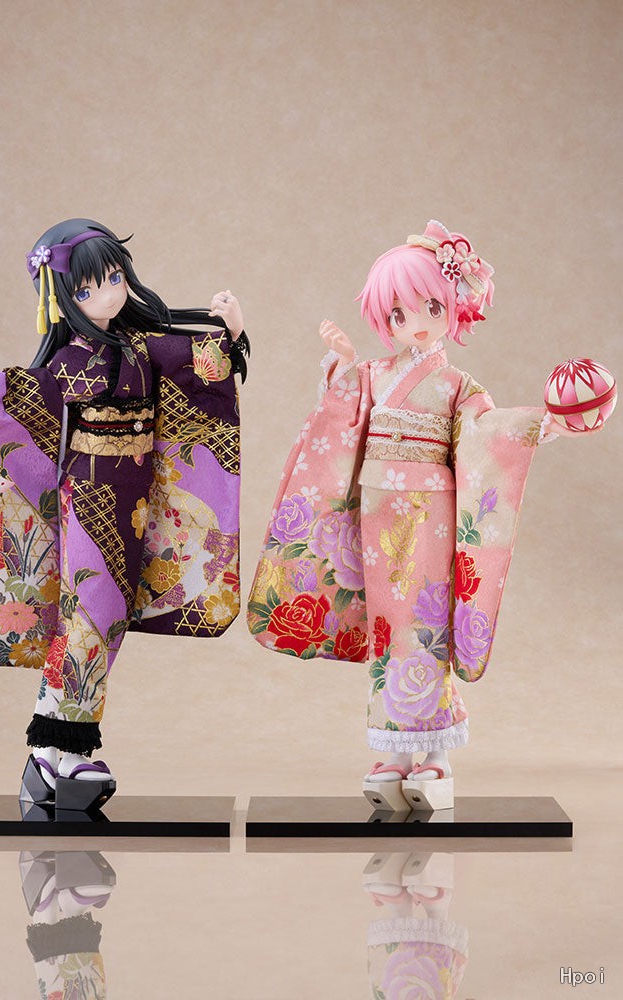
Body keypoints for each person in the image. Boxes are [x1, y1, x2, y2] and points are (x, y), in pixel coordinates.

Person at [248, 219, 589, 811]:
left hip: (432, 507)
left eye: (432, 306)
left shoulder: (456, 384)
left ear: (454, 306)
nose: (417, 322)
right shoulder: (375, 375)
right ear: (386, 320)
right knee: (387, 623)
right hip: (377, 508)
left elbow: (488, 433)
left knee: (427, 617)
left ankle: (435, 754)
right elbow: (340, 418)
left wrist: (545, 423)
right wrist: (343, 362)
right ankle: (394, 750)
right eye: (399, 313)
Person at [0, 218, 248, 811]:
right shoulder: (72, 360)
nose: (108, 292)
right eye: (87, 287)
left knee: (108, 617)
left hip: (135, 499)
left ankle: (48, 753)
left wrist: (229, 334)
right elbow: (23, 389)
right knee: (93, 612)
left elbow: (197, 363)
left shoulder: (140, 346)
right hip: (89, 493)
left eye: (114, 276)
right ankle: (65, 751)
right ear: (63, 299)